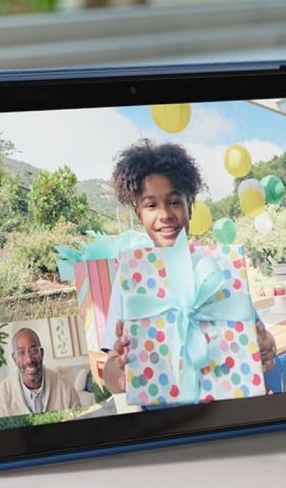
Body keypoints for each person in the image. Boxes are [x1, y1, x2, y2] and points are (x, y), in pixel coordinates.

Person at [102, 139, 277, 395]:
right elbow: (111, 374)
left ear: (190, 207)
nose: (164, 214)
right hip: (166, 424)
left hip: (230, 412)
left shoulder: (218, 267)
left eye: (174, 202)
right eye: (151, 205)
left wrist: (265, 346)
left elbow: (257, 337)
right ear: (139, 214)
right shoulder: (131, 277)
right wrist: (120, 371)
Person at [0, 327, 81, 418]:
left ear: (41, 353)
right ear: (15, 359)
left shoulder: (66, 388)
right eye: (21, 352)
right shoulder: (2, 395)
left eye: (34, 351)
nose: (29, 359)